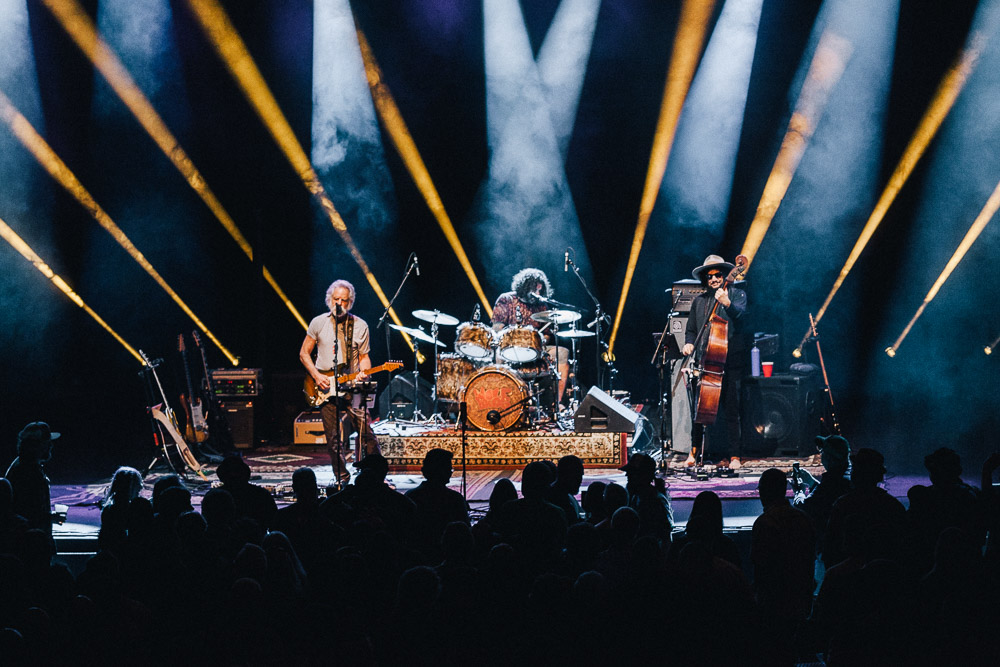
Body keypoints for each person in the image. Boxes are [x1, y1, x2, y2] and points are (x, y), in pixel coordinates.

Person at [300, 279, 380, 484]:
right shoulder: (318, 323)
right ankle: (342, 477)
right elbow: (304, 354)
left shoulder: (360, 325)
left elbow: (364, 357)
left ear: (350, 302)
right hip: (325, 387)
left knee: (366, 433)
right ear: (329, 300)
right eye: (336, 299)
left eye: (344, 300)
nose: (340, 304)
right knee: (333, 439)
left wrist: (365, 374)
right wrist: (317, 377)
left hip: (352, 386)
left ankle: (375, 475)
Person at [682, 255, 747, 469]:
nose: (714, 280)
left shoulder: (738, 294)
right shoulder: (699, 302)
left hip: (729, 363)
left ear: (724, 275)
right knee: (700, 411)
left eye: (718, 275)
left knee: (731, 410)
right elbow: (691, 329)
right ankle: (694, 452)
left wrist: (727, 303)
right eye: (709, 277)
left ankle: (735, 456)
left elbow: (743, 318)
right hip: (704, 361)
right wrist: (689, 344)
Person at [492, 268, 571, 405]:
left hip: (535, 349)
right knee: (498, 355)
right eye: (536, 290)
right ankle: (501, 401)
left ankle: (556, 405)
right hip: (510, 347)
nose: (538, 294)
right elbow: (496, 330)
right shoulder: (506, 299)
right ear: (525, 286)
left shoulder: (541, 306)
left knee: (562, 353)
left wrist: (539, 339)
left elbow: (547, 335)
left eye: (540, 290)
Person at [5, 422, 60, 535]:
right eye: (46, 442)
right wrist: (48, 517)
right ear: (34, 445)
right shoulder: (25, 471)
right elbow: (24, 510)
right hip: (30, 541)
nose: (51, 446)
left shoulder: (29, 466)